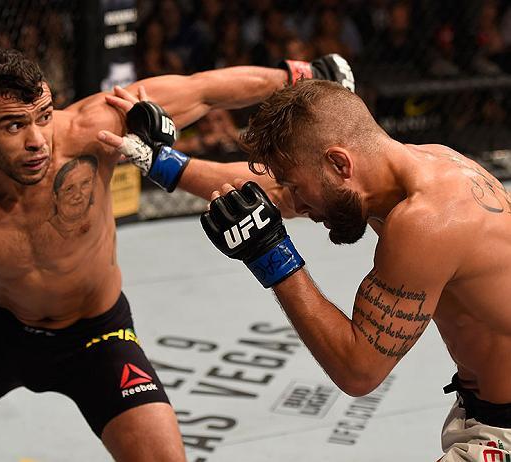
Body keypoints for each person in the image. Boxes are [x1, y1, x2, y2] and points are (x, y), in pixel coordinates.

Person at [0, 48, 354, 461]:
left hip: (99, 335)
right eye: (13, 126)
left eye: (43, 117)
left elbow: (204, 89)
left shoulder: (93, 127)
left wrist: (303, 75)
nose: (38, 142)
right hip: (4, 333)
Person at [196, 80, 510, 460]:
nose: (293, 203)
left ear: (339, 163)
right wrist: (164, 165)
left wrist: (272, 256)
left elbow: (358, 371)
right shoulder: (426, 162)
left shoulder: (426, 221)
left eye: (297, 187)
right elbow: (270, 192)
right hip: (484, 411)